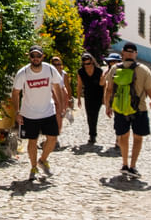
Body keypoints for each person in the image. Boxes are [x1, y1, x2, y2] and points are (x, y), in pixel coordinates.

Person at [11, 46, 67, 180]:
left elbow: (57, 86)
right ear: (29, 57)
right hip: (29, 113)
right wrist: (17, 112)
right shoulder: (23, 73)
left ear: (43, 56)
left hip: (48, 110)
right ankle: (33, 167)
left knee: (53, 138)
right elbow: (15, 93)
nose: (35, 58)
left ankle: (43, 159)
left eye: (38, 56)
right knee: (32, 140)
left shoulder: (50, 69)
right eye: (32, 56)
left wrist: (60, 105)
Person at [104, 42, 151, 177]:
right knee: (138, 137)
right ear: (135, 54)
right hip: (139, 108)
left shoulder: (115, 68)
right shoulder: (143, 70)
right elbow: (150, 91)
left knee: (123, 136)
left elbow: (109, 89)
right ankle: (133, 166)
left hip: (120, 108)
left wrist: (108, 105)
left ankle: (124, 163)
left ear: (123, 53)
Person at [76, 53, 107, 145]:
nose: (87, 66)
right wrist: (78, 98)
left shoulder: (98, 71)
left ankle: (93, 133)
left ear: (92, 62)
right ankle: (92, 135)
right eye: (85, 64)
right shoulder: (81, 72)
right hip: (88, 95)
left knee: (95, 114)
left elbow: (104, 85)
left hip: (98, 95)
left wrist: (104, 98)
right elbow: (79, 85)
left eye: (89, 63)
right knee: (89, 115)